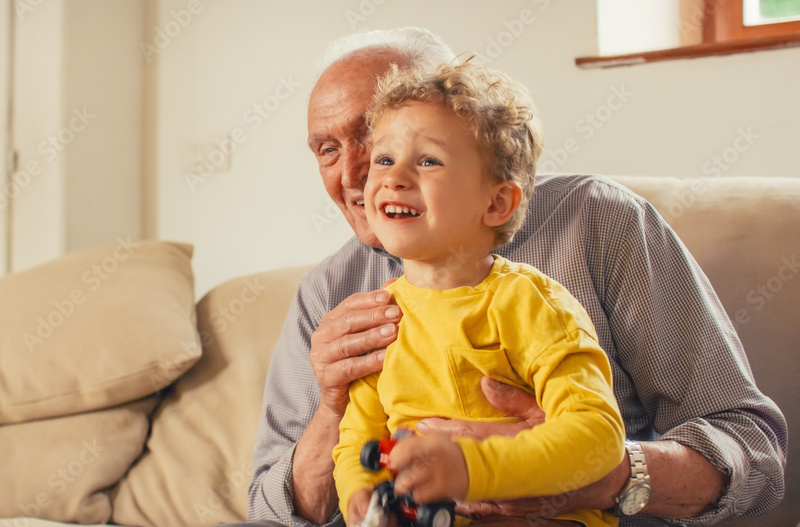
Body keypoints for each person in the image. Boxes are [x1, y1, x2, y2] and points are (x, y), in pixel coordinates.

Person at [249, 27, 787, 527]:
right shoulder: (326, 294)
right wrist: (333, 410)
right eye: (327, 149)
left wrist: (609, 475)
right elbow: (268, 509)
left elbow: (753, 450)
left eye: (375, 134)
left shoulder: (596, 224)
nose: (357, 174)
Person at [332, 60, 625, 527]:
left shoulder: (531, 303)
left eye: (427, 160)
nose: (394, 176)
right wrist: (360, 499)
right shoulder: (381, 317)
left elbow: (599, 437)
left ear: (496, 203)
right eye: (384, 159)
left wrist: (471, 469)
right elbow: (356, 441)